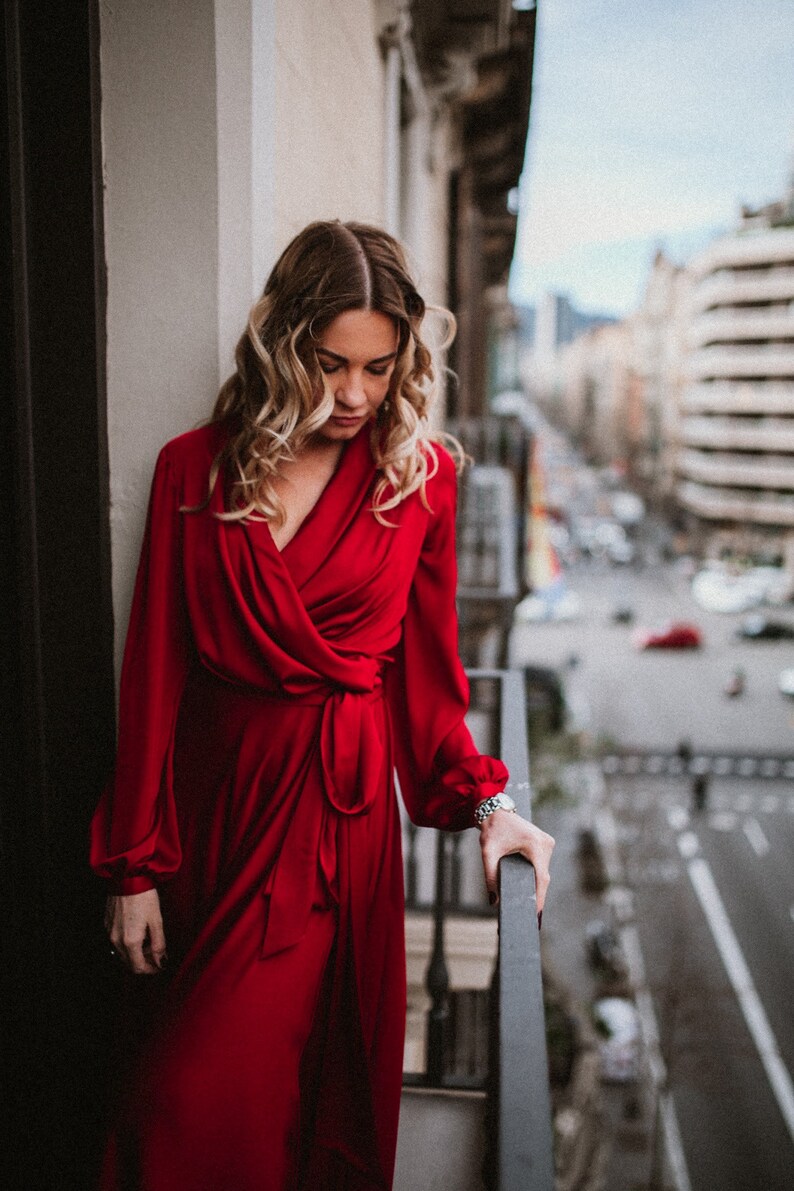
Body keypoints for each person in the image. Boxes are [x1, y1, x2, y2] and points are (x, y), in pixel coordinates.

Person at [90, 220, 555, 1191]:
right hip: (211, 820)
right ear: (282, 344)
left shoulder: (418, 482)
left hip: (332, 832)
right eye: (328, 363)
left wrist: (487, 803)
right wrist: (133, 864)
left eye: (379, 369)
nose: (353, 395)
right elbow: (156, 675)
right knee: (233, 1106)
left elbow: (425, 684)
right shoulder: (195, 470)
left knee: (188, 1106)